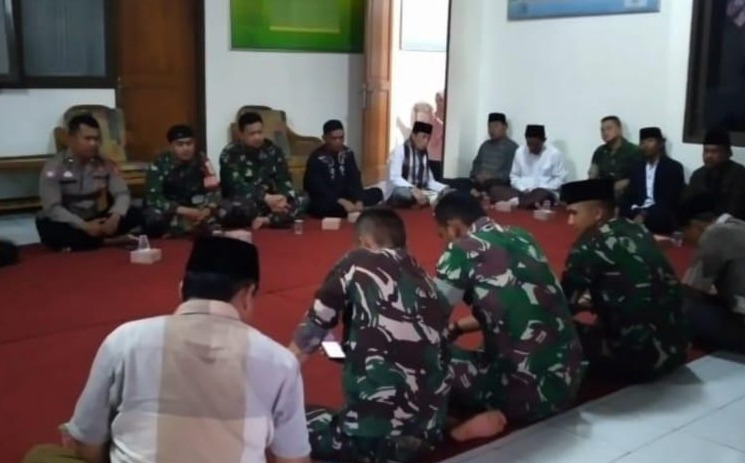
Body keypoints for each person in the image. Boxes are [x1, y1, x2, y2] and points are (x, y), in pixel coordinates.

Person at [22, 236, 311, 463]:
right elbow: (293, 459)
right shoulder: (279, 361)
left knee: (42, 456)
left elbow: (87, 445)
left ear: (182, 288)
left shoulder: (126, 340)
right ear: (248, 295)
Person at [287, 208, 500, 462]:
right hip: (429, 432)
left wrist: (271, 385)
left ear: (364, 242)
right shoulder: (427, 281)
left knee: (296, 418)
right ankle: (444, 432)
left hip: (372, 440)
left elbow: (309, 334)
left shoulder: (356, 262)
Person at [433, 192, 585, 427]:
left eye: (442, 234)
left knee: (415, 354)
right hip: (568, 381)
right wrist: (459, 327)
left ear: (454, 227)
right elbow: (518, 304)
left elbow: (427, 321)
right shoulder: (523, 236)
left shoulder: (460, 250)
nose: (444, 241)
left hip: (524, 396)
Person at [560, 178, 689, 382]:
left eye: (574, 213)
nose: (569, 222)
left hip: (638, 363)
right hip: (677, 350)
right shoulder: (638, 229)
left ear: (597, 214)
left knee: (551, 327)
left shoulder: (587, 245)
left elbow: (561, 307)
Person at [35, 114, 142, 252]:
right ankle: (109, 241)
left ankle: (91, 241)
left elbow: (122, 193)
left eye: (96, 139)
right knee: (48, 227)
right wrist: (84, 225)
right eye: (87, 139)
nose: (93, 144)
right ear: (71, 139)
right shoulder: (54, 166)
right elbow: (52, 207)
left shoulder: (105, 162)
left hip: (96, 218)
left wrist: (115, 217)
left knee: (135, 213)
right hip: (70, 221)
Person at [143, 124, 254, 237]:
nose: (186, 148)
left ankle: (189, 227)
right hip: (175, 211)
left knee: (242, 207)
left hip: (199, 209)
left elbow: (214, 190)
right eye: (180, 144)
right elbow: (153, 197)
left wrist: (208, 209)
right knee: (153, 219)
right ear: (171, 146)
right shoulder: (160, 163)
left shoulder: (201, 160)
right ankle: (187, 226)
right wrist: (185, 211)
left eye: (189, 143)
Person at [678, 193, 745, 354]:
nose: (685, 240)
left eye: (684, 233)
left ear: (695, 225)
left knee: (683, 307)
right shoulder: (740, 225)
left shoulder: (715, 234)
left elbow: (691, 290)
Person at [219, 112, 304, 229]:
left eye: (260, 132)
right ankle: (278, 218)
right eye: (252, 134)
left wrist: (282, 198)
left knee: (303, 198)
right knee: (228, 209)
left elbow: (284, 179)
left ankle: (267, 220)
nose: (257, 137)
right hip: (249, 202)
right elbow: (235, 187)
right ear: (241, 134)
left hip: (272, 203)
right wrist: (265, 198)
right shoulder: (230, 153)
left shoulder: (273, 150)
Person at [303, 119, 383, 218]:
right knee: (320, 206)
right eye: (334, 138)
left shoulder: (348, 153)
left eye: (341, 138)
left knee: (377, 193)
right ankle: (350, 210)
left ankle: (353, 209)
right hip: (329, 199)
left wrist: (359, 200)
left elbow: (355, 179)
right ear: (325, 138)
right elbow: (318, 188)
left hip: (348, 196)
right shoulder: (316, 157)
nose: (338, 141)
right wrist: (342, 202)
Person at [620, 127, 685, 235]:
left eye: (650, 141)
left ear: (660, 144)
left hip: (659, 213)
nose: (645, 145)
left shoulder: (673, 168)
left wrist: (644, 213)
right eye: (642, 142)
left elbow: (670, 200)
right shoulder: (637, 168)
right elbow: (629, 195)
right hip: (638, 211)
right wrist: (630, 210)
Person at [491, 124, 568, 208]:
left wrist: (542, 188)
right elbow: (514, 176)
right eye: (529, 144)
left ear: (543, 140)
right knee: (495, 190)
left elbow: (560, 179)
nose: (532, 148)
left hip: (544, 192)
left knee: (540, 194)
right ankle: (523, 202)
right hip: (522, 192)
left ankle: (517, 202)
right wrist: (523, 189)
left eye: (535, 145)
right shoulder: (520, 152)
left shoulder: (554, 154)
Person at [684, 128, 745, 220]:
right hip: (700, 223)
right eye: (706, 151)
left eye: (714, 151)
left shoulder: (739, 173)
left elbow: (734, 210)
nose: (708, 156)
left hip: (729, 224)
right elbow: (688, 205)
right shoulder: (698, 175)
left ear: (728, 153)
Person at [385, 121, 448, 208]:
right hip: (399, 190)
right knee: (404, 194)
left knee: (444, 193)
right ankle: (420, 201)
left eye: (428, 138)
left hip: (419, 191)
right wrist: (412, 189)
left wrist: (444, 188)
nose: (426, 141)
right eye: (424, 137)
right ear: (413, 136)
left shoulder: (424, 155)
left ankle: (419, 202)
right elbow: (395, 178)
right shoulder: (400, 150)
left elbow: (429, 181)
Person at [587, 116, 642, 199]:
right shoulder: (599, 151)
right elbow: (592, 175)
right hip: (603, 196)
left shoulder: (634, 151)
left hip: (627, 196)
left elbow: (638, 178)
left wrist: (614, 187)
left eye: (609, 128)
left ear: (619, 130)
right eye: (602, 130)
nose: (605, 133)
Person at [470, 112, 518, 199]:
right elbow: (476, 164)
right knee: (456, 182)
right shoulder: (485, 145)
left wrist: (491, 177)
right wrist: (477, 175)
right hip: (479, 182)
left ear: (505, 127)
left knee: (492, 186)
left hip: (497, 184)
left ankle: (480, 195)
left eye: (496, 126)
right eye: (489, 126)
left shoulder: (512, 147)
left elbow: (510, 173)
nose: (492, 130)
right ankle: (478, 194)